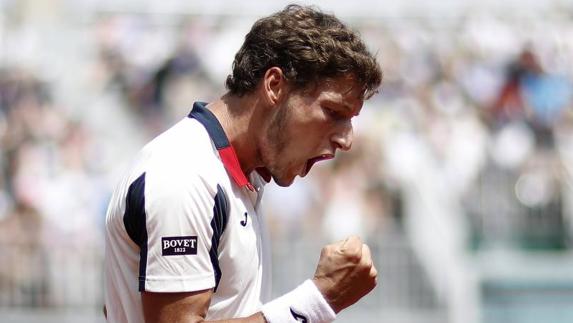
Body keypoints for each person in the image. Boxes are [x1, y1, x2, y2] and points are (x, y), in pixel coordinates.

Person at [104, 4, 382, 323]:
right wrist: (317, 301)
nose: (345, 140)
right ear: (275, 86)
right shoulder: (184, 174)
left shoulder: (238, 176)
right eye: (333, 113)